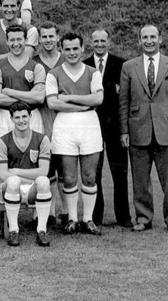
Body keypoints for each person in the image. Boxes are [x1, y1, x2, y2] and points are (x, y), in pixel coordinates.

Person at [119, 24, 168, 233]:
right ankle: (143, 217)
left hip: (167, 130)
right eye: (144, 37)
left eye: (153, 37)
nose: (149, 41)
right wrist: (124, 130)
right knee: (140, 180)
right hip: (137, 130)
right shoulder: (129, 67)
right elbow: (124, 100)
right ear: (139, 41)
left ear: (160, 39)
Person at [46, 32, 104, 235]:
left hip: (89, 125)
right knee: (69, 177)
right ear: (61, 49)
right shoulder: (53, 74)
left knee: (89, 175)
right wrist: (82, 104)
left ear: (82, 49)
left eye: (75, 48)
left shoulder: (92, 72)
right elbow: (53, 102)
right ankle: (71, 218)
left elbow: (98, 99)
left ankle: (87, 219)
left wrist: (69, 98)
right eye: (67, 49)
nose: (71, 53)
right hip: (64, 126)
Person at [84, 28, 132, 227]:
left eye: (103, 40)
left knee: (119, 172)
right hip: (92, 125)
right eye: (96, 41)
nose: (100, 44)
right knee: (94, 172)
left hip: (115, 126)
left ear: (109, 41)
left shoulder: (121, 64)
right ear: (91, 42)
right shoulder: (84, 65)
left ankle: (124, 217)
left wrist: (124, 130)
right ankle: (96, 216)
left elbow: (125, 98)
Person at [0, 101, 53, 247]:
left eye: (24, 116)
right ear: (11, 119)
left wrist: (15, 172)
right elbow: (2, 175)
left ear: (30, 116)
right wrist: (19, 177)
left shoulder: (42, 139)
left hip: (32, 188)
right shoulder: (3, 141)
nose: (21, 120)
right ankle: (14, 230)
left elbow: (44, 171)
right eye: (17, 118)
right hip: (10, 188)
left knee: (44, 181)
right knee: (13, 182)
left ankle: (41, 230)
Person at [31, 22, 65, 225]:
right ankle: (47, 212)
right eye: (44, 37)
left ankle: (66, 212)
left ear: (57, 37)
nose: (48, 40)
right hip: (42, 117)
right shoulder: (34, 62)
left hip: (64, 118)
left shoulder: (66, 60)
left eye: (51, 36)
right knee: (45, 166)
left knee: (65, 167)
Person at [0, 25, 45, 139]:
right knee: (4, 154)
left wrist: (8, 91)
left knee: (34, 154)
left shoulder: (37, 67)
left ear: (26, 40)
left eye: (19, 39)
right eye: (12, 40)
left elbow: (39, 98)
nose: (16, 43)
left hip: (31, 115)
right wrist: (29, 95)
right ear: (7, 42)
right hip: (6, 116)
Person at [0, 0, 38, 67]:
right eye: (6, 6)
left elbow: (26, 58)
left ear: (18, 7)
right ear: (0, 7)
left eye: (12, 6)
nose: (9, 10)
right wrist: (19, 52)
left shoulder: (30, 30)